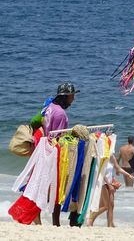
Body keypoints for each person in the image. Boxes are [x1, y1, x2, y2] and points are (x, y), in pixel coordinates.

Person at [41, 82, 80, 226]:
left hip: (45, 150)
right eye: (72, 96)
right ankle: (56, 222)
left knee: (47, 187)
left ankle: (44, 218)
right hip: (55, 154)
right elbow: (58, 137)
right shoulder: (60, 113)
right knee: (58, 188)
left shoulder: (49, 107)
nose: (73, 99)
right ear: (66, 96)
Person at [87, 155, 134, 227]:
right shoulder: (102, 156)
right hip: (103, 183)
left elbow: (117, 168)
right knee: (106, 206)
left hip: (110, 183)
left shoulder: (111, 156)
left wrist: (128, 175)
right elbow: (101, 174)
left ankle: (110, 224)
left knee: (111, 205)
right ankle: (91, 218)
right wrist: (109, 185)